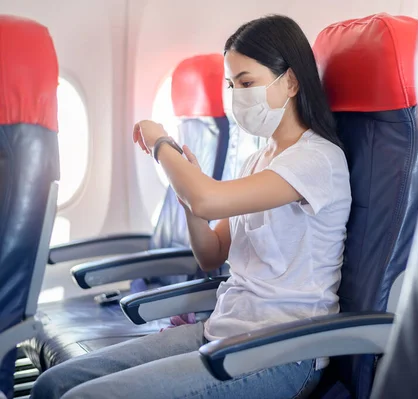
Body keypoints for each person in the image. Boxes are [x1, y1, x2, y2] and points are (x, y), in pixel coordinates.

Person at [31, 14, 351, 399]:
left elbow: (208, 198)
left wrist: (162, 143)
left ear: (292, 81)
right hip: (223, 331)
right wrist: (187, 197)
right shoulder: (258, 160)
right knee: (55, 385)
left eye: (247, 83)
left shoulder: (318, 160)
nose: (237, 96)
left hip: (280, 354)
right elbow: (211, 253)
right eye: (231, 85)